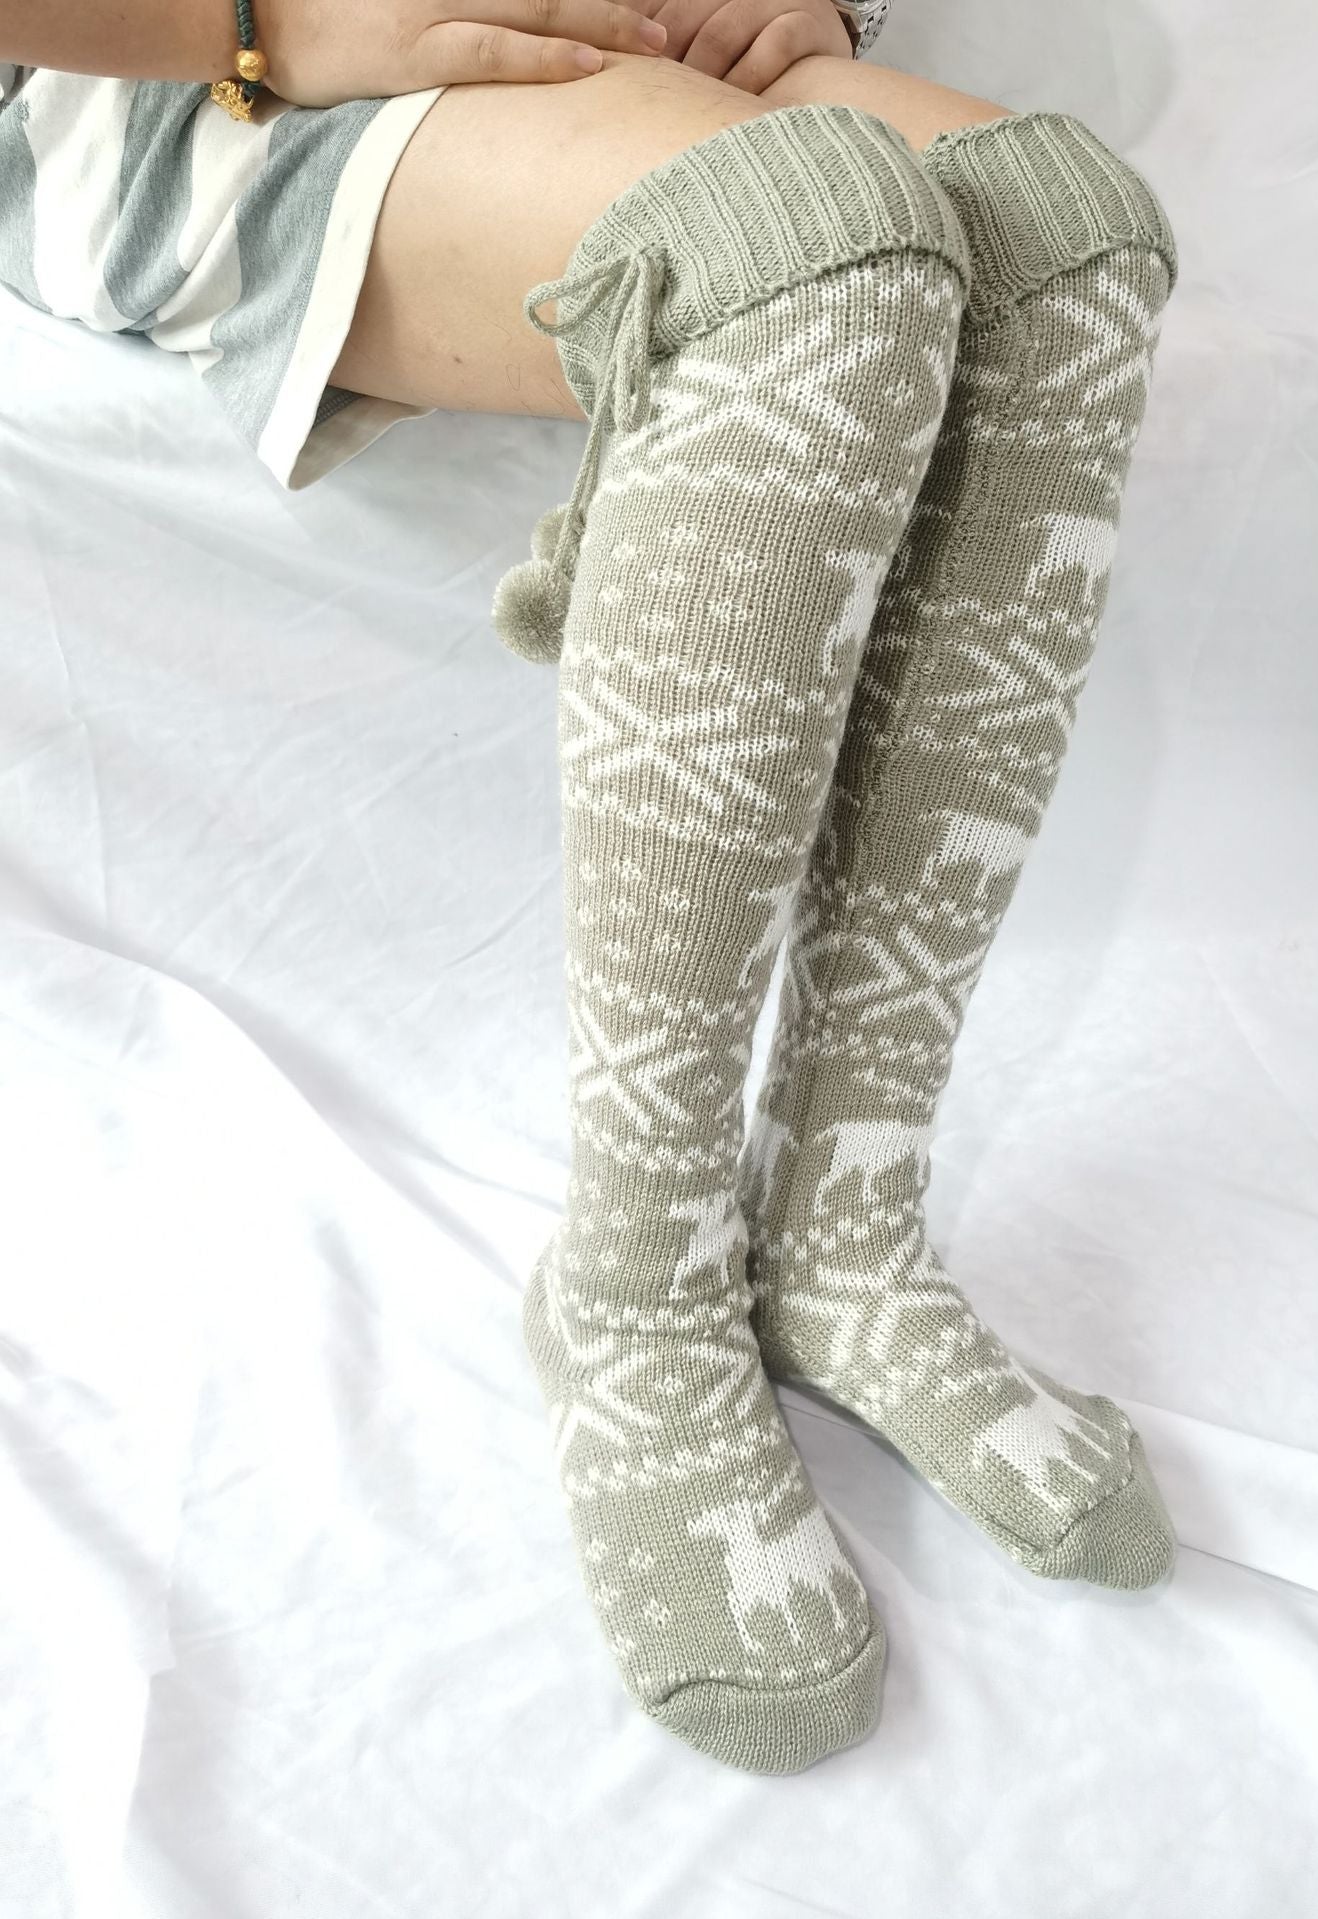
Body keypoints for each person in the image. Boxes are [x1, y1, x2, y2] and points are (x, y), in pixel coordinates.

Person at [0, 0, 1180, 1774]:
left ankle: (841, 1228)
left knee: (1066, 243)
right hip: (158, 70)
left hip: (615, 35)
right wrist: (260, 23)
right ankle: (638, 1287)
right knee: (811, 259)